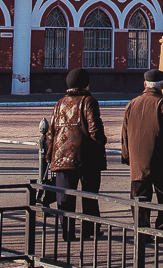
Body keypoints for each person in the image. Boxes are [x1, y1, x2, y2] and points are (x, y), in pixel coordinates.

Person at [46, 68, 107, 241]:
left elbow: (50, 133)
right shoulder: (89, 101)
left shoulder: (60, 103)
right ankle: (90, 230)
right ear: (86, 84)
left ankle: (67, 232)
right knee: (89, 196)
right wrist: (101, 142)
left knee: (65, 197)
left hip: (61, 158)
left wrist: (50, 156)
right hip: (87, 158)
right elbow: (95, 129)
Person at [120, 68, 163, 232]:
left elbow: (125, 134)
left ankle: (141, 230)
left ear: (145, 84)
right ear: (162, 84)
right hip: (162, 162)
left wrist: (126, 156)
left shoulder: (132, 104)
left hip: (138, 163)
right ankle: (162, 230)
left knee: (139, 198)